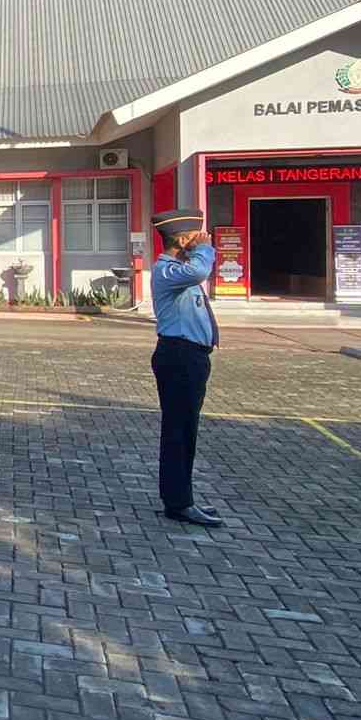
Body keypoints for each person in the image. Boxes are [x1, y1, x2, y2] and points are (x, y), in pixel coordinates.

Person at [149, 209, 224, 528]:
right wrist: (205, 249)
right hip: (179, 356)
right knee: (180, 432)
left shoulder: (180, 268)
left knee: (184, 431)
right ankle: (179, 503)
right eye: (195, 236)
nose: (202, 240)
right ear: (182, 240)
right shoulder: (167, 271)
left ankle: (180, 497)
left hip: (189, 357)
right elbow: (199, 273)